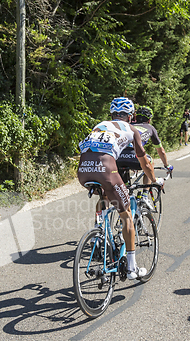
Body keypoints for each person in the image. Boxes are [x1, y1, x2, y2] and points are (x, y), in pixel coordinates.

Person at [77, 97, 164, 280]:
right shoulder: (132, 130)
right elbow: (144, 162)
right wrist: (154, 180)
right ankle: (132, 269)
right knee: (126, 217)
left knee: (105, 197)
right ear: (131, 116)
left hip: (83, 171)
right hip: (106, 171)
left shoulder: (100, 125)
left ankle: (98, 231)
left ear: (111, 115)